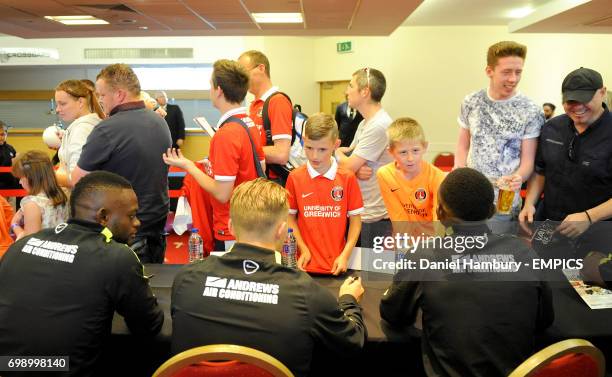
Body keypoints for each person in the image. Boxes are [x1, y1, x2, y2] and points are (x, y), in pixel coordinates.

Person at [171, 178, 366, 377]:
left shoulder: (186, 279)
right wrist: (349, 300)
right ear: (282, 230)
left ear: (230, 226)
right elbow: (352, 342)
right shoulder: (306, 293)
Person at [380, 167, 554, 377]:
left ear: (440, 214)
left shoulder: (424, 256)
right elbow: (544, 319)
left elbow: (393, 314)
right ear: (491, 211)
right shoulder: (525, 254)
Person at [0, 171, 163, 377]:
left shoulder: (23, 244)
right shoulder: (116, 256)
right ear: (103, 217)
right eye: (131, 215)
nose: (138, 222)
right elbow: (149, 325)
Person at [73, 63, 172, 263]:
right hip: (157, 220)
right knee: (151, 281)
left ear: (119, 95)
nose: (99, 100)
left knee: (120, 288)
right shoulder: (159, 121)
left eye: (101, 95)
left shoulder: (107, 129)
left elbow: (78, 180)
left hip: (125, 227)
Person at [163, 59, 265, 251]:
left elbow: (222, 193)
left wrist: (189, 166)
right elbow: (256, 167)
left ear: (218, 90)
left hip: (231, 227)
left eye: (210, 85)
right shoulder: (248, 122)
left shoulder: (226, 133)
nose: (210, 90)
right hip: (249, 221)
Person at [519, 67, 612, 252]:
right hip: (549, 224)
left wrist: (588, 217)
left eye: (584, 99)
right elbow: (541, 171)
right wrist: (530, 203)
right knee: (541, 273)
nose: (577, 107)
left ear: (602, 92)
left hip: (597, 232)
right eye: (570, 101)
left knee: (586, 279)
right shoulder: (552, 127)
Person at [455, 41, 544, 219]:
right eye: (506, 72)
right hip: (471, 196)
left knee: (499, 245)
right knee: (466, 244)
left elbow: (528, 162)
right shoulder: (471, 101)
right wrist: (459, 173)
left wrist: (519, 176)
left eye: (518, 72)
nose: (513, 79)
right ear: (489, 71)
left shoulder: (531, 110)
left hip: (505, 201)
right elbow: (462, 146)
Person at [286, 113, 363, 275]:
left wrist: (345, 255)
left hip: (337, 265)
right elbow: (289, 218)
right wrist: (303, 248)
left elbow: (356, 222)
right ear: (303, 140)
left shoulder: (347, 178)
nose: (315, 156)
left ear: (336, 144)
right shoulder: (295, 177)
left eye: (322, 149)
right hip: (303, 266)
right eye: (309, 148)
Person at [335, 67, 393, 246]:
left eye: (350, 86)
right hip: (361, 211)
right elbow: (350, 159)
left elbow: (346, 165)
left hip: (374, 217)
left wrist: (338, 154)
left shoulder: (379, 125)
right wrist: (353, 166)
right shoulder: (364, 124)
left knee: (369, 272)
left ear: (365, 91)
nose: (347, 91)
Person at [238, 50, 293, 184]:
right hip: (259, 179)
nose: (240, 80)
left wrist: (242, 150)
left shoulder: (277, 101)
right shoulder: (254, 105)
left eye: (243, 73)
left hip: (273, 182)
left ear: (261, 68)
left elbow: (281, 154)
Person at [377, 117, 446, 223]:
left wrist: (434, 239)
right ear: (391, 151)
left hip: (431, 236)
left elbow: (438, 218)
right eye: (403, 152)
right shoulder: (385, 174)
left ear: (424, 147)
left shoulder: (437, 176)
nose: (410, 158)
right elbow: (398, 217)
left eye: (415, 150)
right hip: (404, 235)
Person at [54, 79, 104, 187]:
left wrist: (49, 176)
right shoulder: (85, 126)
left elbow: (78, 180)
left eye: (62, 104)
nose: (57, 109)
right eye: (57, 104)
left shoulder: (82, 129)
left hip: (84, 198)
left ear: (80, 102)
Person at [10, 150, 68, 240]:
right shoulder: (63, 195)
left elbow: (29, 242)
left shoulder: (32, 203)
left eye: (21, 177)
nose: (20, 182)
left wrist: (14, 225)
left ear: (32, 177)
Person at [0, 120, 19, 191]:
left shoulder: (10, 148)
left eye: (3, 134)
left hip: (11, 187)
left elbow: (16, 166)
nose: (1, 137)